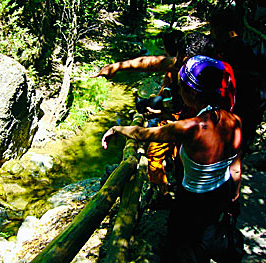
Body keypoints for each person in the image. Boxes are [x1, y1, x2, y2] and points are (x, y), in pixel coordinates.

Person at [101, 55, 242, 262]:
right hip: (220, 194)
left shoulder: (189, 127)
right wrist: (234, 197)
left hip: (191, 200)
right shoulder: (234, 120)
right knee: (206, 239)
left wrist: (116, 128)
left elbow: (143, 134)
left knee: (181, 246)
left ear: (192, 93)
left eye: (180, 86)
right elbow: (236, 168)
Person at [93, 31, 224, 196]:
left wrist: (116, 129)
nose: (178, 68)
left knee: (160, 157)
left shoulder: (193, 124)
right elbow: (152, 62)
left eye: (181, 63)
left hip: (195, 195)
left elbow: (146, 134)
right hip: (215, 188)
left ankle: (164, 192)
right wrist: (116, 66)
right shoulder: (210, 79)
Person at [209, 8, 266, 153]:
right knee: (238, 149)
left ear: (219, 28)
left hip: (243, 106)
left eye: (212, 27)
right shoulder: (244, 45)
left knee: (232, 150)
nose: (211, 32)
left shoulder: (231, 50)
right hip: (252, 104)